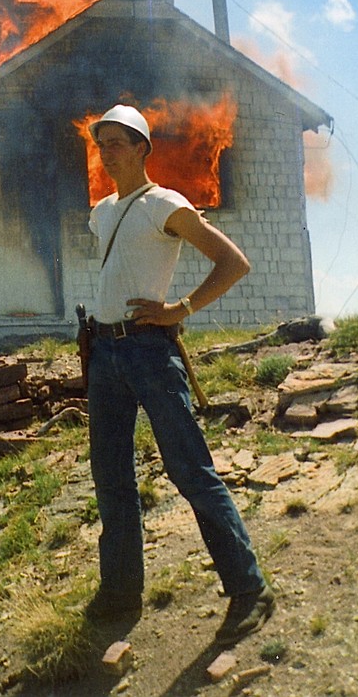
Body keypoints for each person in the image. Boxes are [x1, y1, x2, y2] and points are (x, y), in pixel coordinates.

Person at [83, 103, 274, 646]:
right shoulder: (101, 212)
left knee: (190, 470)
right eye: (102, 143)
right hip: (105, 355)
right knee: (111, 478)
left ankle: (249, 588)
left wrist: (179, 309)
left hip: (148, 351)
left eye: (117, 141)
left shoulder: (164, 203)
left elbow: (233, 261)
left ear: (142, 147)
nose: (107, 151)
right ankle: (120, 594)